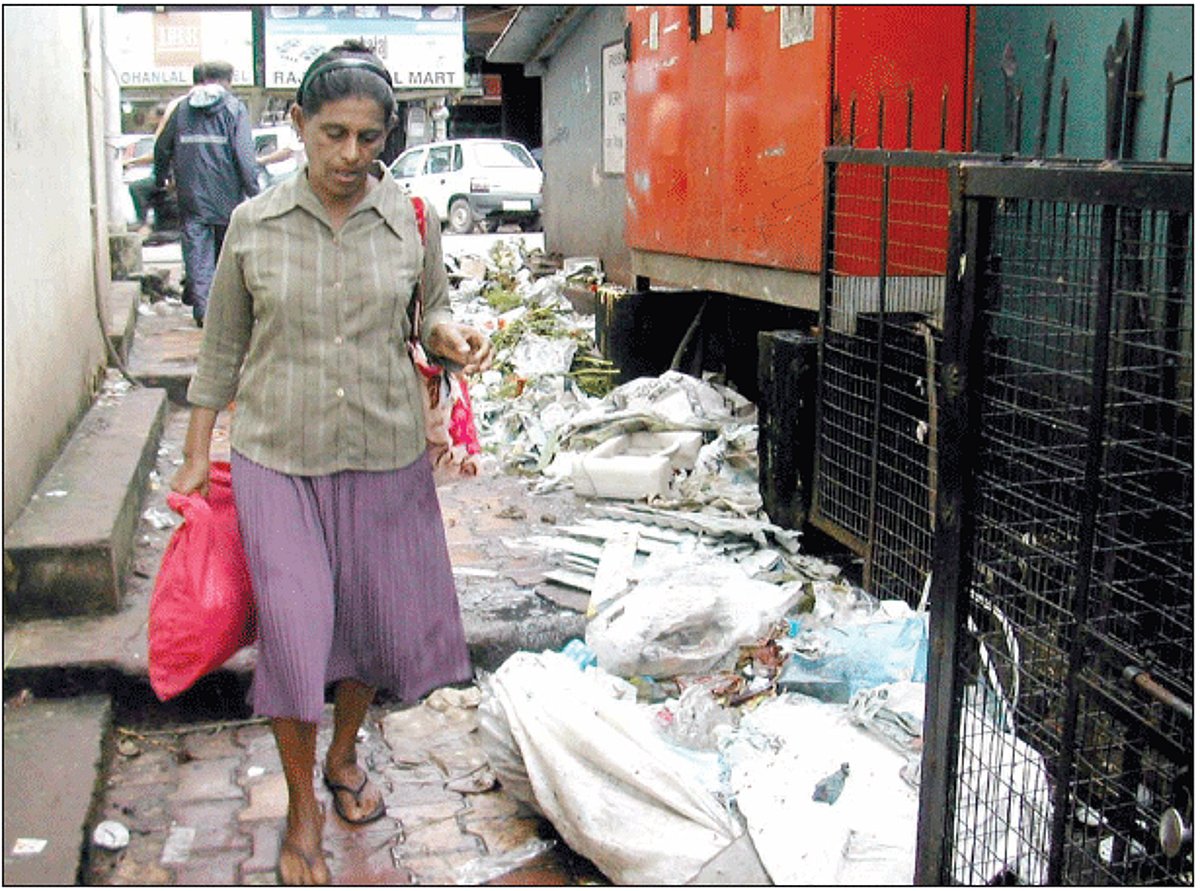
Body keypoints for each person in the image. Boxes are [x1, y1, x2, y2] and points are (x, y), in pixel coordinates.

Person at [169, 40, 493, 885]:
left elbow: (430, 311)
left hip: (384, 453)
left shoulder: (409, 218)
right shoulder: (253, 226)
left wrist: (446, 333)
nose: (351, 155)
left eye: (369, 138)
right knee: (298, 630)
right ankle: (303, 809)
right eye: (334, 133)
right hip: (278, 456)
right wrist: (198, 454)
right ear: (298, 125)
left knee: (369, 631)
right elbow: (221, 352)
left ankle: (344, 755)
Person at [154, 60, 260, 326]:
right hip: (227, 196)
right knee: (228, 256)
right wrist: (255, 192)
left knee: (197, 253)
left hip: (191, 194)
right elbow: (245, 157)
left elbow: (162, 147)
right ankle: (227, 312)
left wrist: (161, 177)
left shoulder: (181, 110)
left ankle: (204, 312)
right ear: (227, 80)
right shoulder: (234, 109)